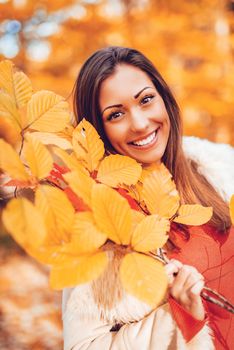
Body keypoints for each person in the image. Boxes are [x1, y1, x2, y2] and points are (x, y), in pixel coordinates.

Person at [62, 46, 234, 349]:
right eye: (116, 114)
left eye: (146, 99)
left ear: (164, 99)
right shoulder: (101, 223)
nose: (140, 123)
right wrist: (180, 321)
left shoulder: (219, 171)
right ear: (97, 131)